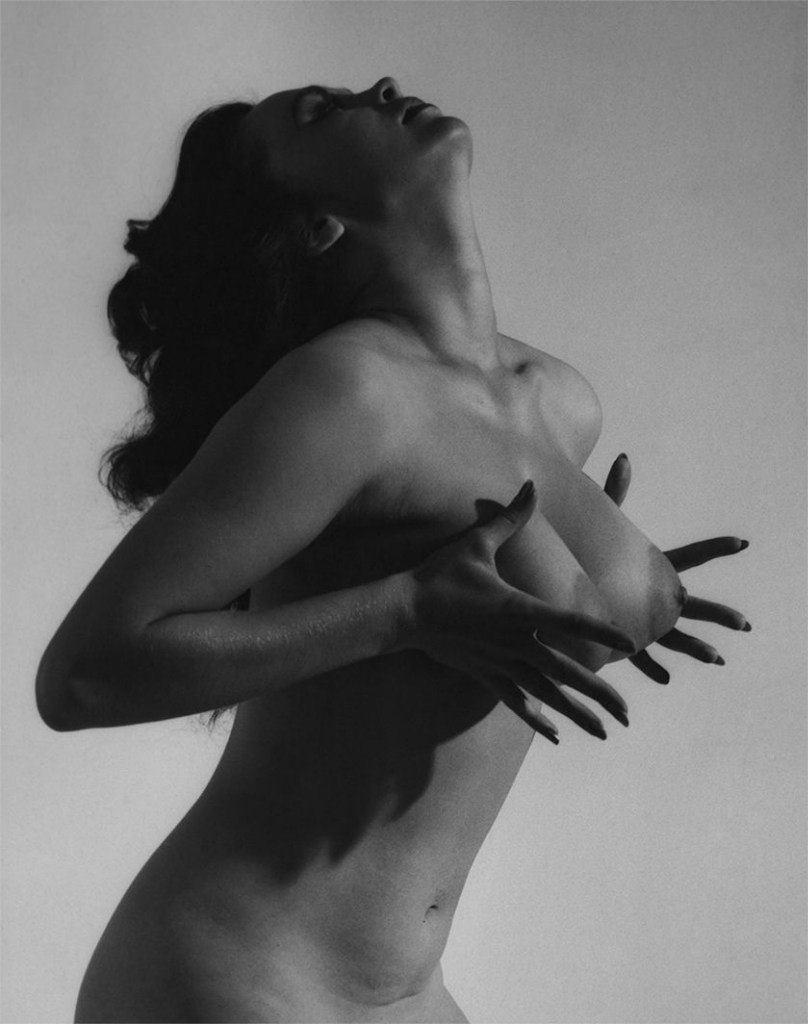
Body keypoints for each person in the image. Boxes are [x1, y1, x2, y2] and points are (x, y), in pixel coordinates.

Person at [36, 77, 749, 1024]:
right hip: (239, 975)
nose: (373, 88)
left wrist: (611, 596)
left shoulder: (558, 398)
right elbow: (82, 679)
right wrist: (403, 610)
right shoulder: (347, 392)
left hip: (410, 996)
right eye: (322, 114)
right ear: (318, 226)